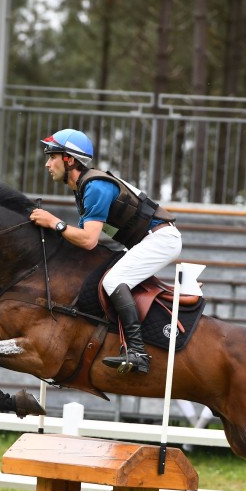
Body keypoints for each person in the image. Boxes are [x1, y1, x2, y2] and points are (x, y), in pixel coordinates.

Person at [29, 129, 182, 375]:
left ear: (69, 159)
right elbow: (81, 240)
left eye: (52, 157)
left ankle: (138, 352)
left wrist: (54, 223)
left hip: (161, 239)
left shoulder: (95, 187)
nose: (47, 164)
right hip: (144, 240)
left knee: (113, 280)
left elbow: (88, 240)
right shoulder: (83, 187)